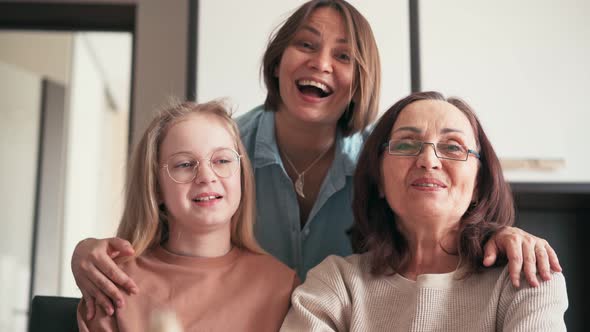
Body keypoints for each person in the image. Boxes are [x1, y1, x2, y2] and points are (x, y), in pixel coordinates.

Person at [71, 0, 561, 318]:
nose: (321, 63)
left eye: (343, 56)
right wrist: (88, 249)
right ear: (278, 61)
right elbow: (150, 232)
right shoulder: (221, 156)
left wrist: (496, 232)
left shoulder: (387, 166)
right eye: (305, 45)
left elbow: (439, 219)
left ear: (359, 80)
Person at [280, 91, 568, 331]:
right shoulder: (336, 284)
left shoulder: (526, 275)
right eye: (406, 144)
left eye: (453, 147)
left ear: (479, 183)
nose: (428, 160)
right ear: (379, 178)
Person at [76, 101, 298, 331]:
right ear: (156, 187)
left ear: (241, 175)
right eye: (184, 164)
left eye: (222, 160)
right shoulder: (110, 284)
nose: (206, 176)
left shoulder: (283, 288)